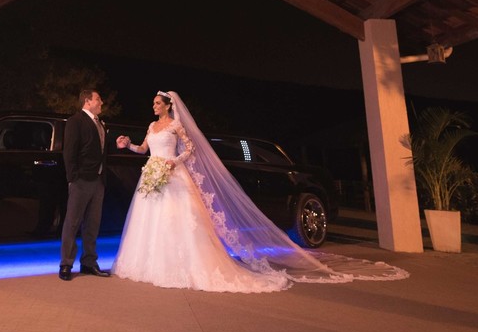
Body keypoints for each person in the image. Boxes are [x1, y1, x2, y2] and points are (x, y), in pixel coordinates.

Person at [113, 91, 409, 291]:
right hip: (153, 177)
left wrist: (172, 164)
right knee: (151, 223)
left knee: (181, 223)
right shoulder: (152, 127)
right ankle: (152, 264)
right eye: (152, 103)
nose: (152, 106)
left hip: (172, 175)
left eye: (156, 102)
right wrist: (129, 145)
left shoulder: (177, 126)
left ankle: (183, 265)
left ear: (167, 104)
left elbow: (190, 149)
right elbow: (143, 149)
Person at [58, 89, 112, 281]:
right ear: (88, 101)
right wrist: (72, 178)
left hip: (98, 181)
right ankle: (66, 264)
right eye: (98, 99)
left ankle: (89, 262)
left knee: (92, 224)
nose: (101, 102)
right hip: (81, 180)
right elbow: (69, 152)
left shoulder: (100, 124)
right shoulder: (76, 121)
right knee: (72, 222)